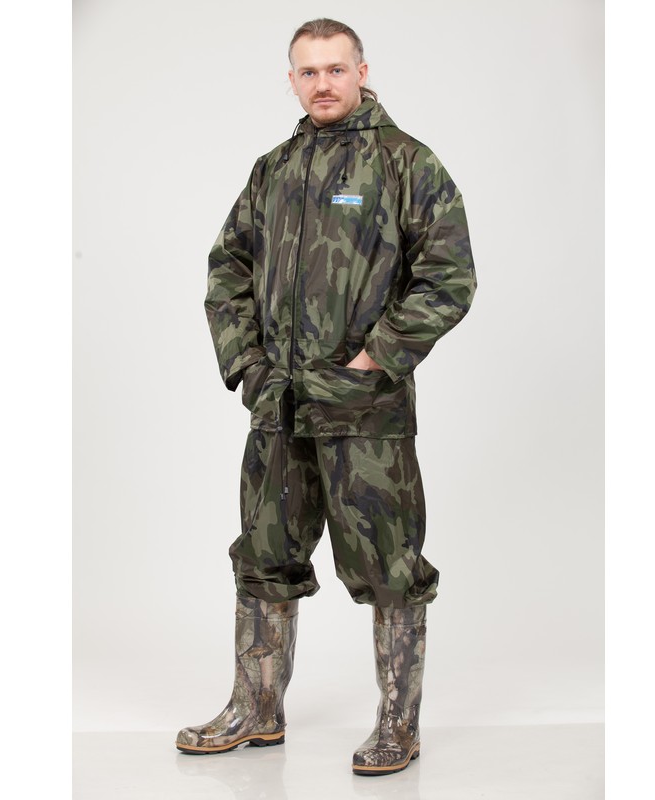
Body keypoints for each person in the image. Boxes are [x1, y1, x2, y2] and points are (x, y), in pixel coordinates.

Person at [176, 18, 476, 776]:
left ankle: (398, 726)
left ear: (361, 71)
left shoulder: (407, 163)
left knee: (391, 570)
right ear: (291, 80)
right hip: (279, 413)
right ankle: (255, 709)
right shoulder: (273, 170)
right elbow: (227, 269)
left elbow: (449, 276)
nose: (323, 84)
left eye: (336, 69)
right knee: (263, 559)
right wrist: (248, 367)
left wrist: (376, 360)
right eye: (308, 72)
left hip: (366, 416)